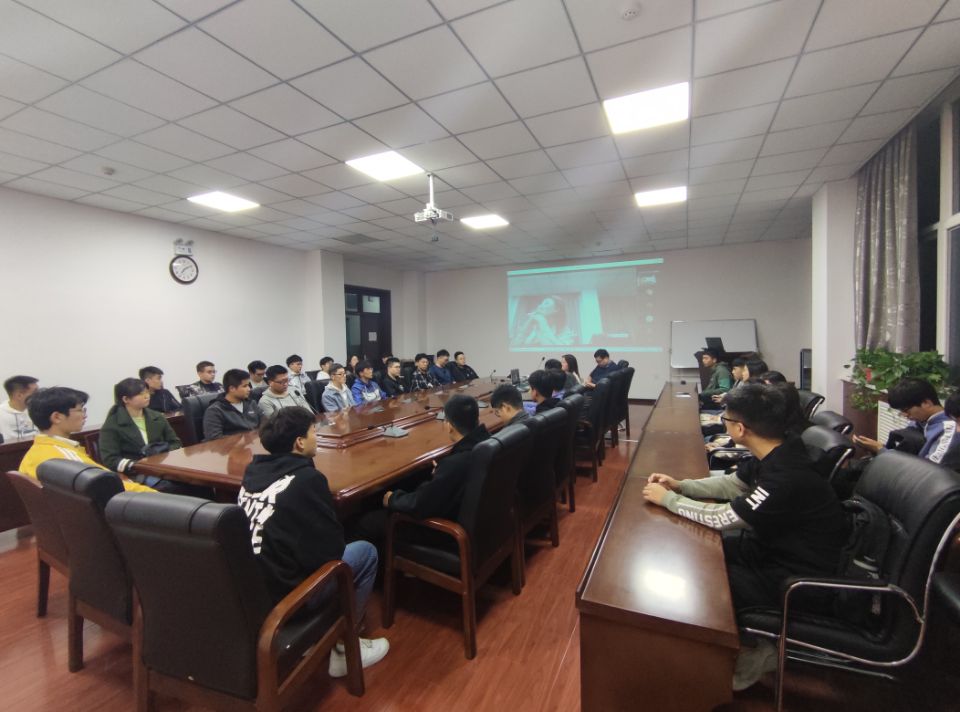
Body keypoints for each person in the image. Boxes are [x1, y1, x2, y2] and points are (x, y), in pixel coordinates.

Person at [641, 384, 847, 691]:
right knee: (695, 554)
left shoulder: (787, 477)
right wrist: (681, 485)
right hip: (770, 551)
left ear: (739, 428)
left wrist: (669, 500)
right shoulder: (778, 450)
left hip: (794, 579)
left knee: (704, 578)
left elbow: (725, 518)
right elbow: (733, 485)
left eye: (725, 418)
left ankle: (755, 650)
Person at [238, 407, 388, 676]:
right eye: (313, 432)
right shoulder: (306, 479)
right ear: (299, 442)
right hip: (289, 597)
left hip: (255, 589)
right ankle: (344, 647)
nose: (316, 437)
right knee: (365, 551)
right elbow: (331, 552)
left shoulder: (252, 473)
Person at [19, 386, 154, 492]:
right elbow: (114, 488)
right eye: (80, 410)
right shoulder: (67, 459)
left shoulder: (34, 453)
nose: (85, 415)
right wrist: (156, 495)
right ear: (57, 417)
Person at [382, 395, 490, 521]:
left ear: (449, 426)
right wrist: (441, 472)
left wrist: (393, 499)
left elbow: (421, 505)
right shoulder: (488, 443)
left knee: (368, 521)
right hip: (483, 518)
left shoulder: (455, 463)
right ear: (477, 419)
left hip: (446, 527)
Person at [852, 378, 960, 470]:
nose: (905, 415)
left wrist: (881, 450)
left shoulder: (948, 430)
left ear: (926, 403)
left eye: (906, 410)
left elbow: (928, 471)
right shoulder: (920, 421)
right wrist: (881, 449)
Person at [98, 378, 185, 490]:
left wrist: (161, 456)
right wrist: (140, 465)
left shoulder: (157, 416)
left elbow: (175, 442)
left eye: (147, 392)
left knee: (195, 483)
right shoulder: (112, 425)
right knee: (170, 488)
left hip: (163, 467)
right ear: (126, 399)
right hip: (135, 474)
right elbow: (110, 459)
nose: (147, 396)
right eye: (141, 394)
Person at [202, 369, 260, 441]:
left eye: (249, 385)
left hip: (256, 443)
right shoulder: (215, 410)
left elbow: (265, 423)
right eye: (245, 386)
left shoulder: (251, 403)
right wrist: (245, 440)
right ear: (232, 388)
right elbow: (214, 438)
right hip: (233, 447)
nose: (249, 389)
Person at [1, 375, 39, 441]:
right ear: (19, 395)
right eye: (35, 392)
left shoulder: (40, 410)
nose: (39, 395)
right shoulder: (1, 414)